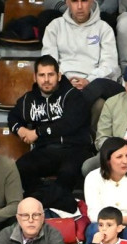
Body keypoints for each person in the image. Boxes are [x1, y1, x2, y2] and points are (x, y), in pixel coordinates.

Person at [8, 55, 92, 213]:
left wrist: (38, 132)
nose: (46, 80)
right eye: (42, 75)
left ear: (59, 76)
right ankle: (55, 201)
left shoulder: (73, 95)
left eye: (50, 75)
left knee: (68, 173)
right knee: (21, 167)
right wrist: (20, 129)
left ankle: (38, 201)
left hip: (75, 149)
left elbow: (69, 124)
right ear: (35, 77)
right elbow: (12, 117)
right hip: (45, 151)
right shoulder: (29, 99)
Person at [42, 0, 123, 118]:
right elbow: (49, 63)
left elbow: (110, 65)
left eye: (84, 1)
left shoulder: (104, 28)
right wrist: (66, 81)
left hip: (93, 85)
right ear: (67, 2)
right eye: (75, 1)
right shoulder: (54, 27)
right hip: (63, 84)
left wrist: (88, 80)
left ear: (91, 1)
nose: (79, 7)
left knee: (100, 105)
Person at [84, 137, 127, 244]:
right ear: (107, 159)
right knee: (95, 229)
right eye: (119, 157)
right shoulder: (92, 177)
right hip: (103, 224)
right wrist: (111, 226)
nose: (125, 161)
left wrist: (116, 223)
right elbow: (94, 214)